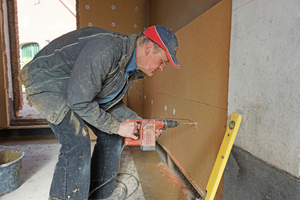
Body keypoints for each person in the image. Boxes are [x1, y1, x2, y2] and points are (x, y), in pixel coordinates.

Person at [19, 25, 180, 200]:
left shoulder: (128, 66)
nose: (162, 68)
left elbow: (107, 103)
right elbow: (79, 101)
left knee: (112, 135)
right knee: (77, 141)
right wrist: (117, 126)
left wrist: (141, 125)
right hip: (48, 82)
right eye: (163, 61)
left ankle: (100, 193)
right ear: (149, 48)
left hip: (75, 89)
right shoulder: (107, 50)